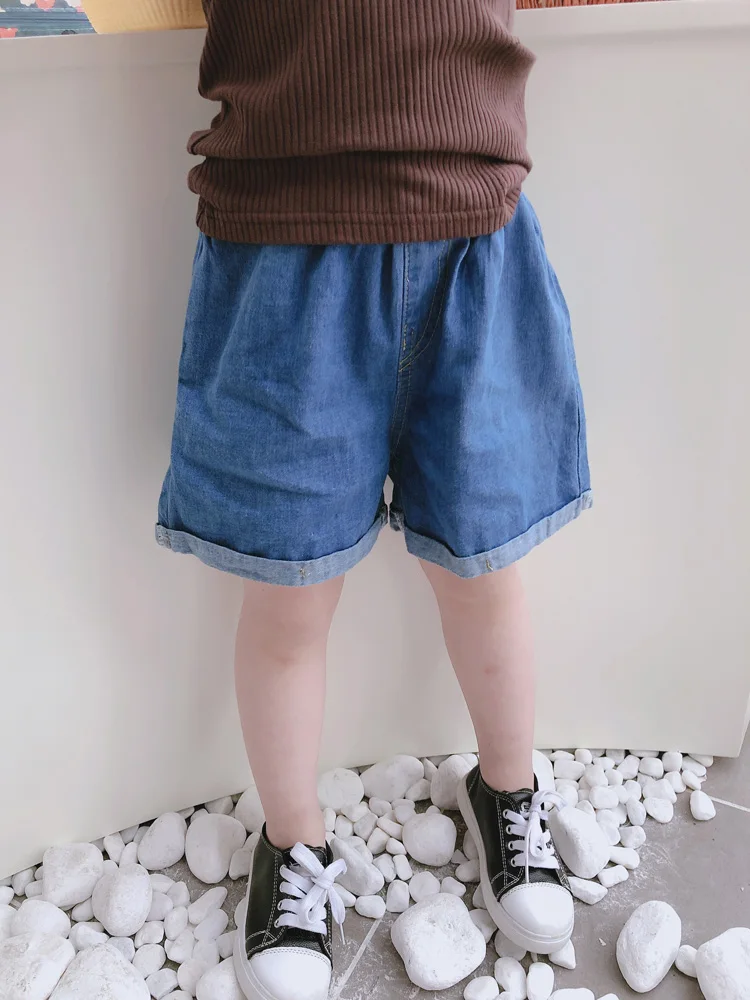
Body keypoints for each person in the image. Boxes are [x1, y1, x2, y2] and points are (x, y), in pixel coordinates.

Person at [154, 1, 592, 997]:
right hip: (284, 234)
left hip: (472, 225)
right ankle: (292, 841)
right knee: (289, 591)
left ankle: (507, 787)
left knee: (482, 565)